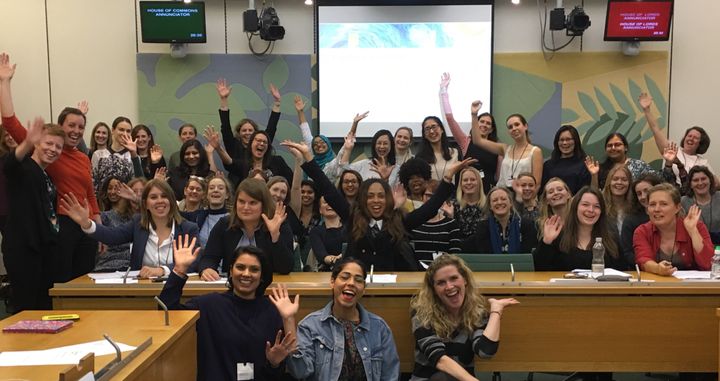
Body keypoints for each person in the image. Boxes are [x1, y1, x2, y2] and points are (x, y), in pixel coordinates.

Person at [283, 139, 477, 271]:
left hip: (396, 287)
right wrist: (308, 158)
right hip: (358, 286)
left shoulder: (399, 220)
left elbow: (430, 208)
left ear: (388, 200)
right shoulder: (353, 217)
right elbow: (328, 190)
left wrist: (448, 176)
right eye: (370, 196)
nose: (376, 201)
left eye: (381, 196)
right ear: (363, 200)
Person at [0, 52, 100, 282]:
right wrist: (5, 83)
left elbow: (89, 193)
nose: (75, 131)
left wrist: (98, 226)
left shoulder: (83, 157)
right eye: (70, 126)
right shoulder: (44, 150)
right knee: (62, 284)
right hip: (60, 227)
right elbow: (10, 122)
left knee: (85, 281)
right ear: (59, 127)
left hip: (85, 226)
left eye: (81, 127)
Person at [160, 242, 298, 381]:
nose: (246, 274)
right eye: (240, 267)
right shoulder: (208, 305)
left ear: (262, 276)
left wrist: (274, 363)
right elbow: (167, 314)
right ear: (231, 272)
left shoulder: (273, 310)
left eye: (254, 269)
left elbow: (291, 366)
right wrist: (179, 270)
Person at [287, 257, 400, 380]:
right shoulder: (310, 325)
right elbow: (300, 372)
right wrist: (288, 319)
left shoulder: (379, 328)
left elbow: (391, 375)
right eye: (345, 277)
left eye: (358, 280)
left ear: (364, 288)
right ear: (332, 281)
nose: (351, 283)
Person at [409, 254, 518, 381]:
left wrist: (495, 311)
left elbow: (485, 351)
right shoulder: (422, 312)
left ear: (465, 280)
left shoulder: (475, 312)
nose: (449, 287)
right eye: (441, 283)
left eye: (454, 278)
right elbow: (440, 359)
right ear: (433, 289)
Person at [60, 179, 199, 278]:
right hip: (141, 291)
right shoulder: (137, 223)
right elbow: (112, 236)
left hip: (177, 287)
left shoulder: (188, 228)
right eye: (153, 197)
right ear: (145, 204)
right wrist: (86, 223)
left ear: (172, 201)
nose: (160, 201)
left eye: (164, 196)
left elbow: (194, 262)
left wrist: (162, 270)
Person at [2, 117, 63, 311]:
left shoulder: (47, 175)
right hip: (24, 248)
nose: (53, 149)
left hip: (43, 248)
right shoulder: (24, 168)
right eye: (48, 143)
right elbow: (8, 165)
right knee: (26, 307)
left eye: (58, 147)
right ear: (36, 143)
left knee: (42, 305)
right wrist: (26, 142)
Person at [198, 178, 294, 280]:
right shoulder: (225, 224)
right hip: (233, 288)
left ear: (264, 205)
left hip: (268, 288)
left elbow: (285, 268)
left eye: (252, 203)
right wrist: (207, 269)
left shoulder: (279, 224)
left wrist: (275, 237)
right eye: (241, 201)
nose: (246, 207)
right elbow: (209, 257)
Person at [534, 186, 626, 271]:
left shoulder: (611, 239)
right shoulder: (558, 238)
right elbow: (539, 269)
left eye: (596, 206)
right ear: (575, 207)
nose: (591, 210)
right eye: (585, 205)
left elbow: (622, 270)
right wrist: (546, 242)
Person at [639, 92, 719, 188]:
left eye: (695, 138)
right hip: (670, 194)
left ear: (700, 143)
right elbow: (655, 129)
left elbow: (716, 184)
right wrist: (646, 110)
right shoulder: (672, 149)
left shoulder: (702, 162)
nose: (691, 139)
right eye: (689, 136)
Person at [634, 183, 713, 275]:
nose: (657, 209)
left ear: (677, 207)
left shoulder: (697, 226)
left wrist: (693, 231)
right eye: (652, 204)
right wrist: (658, 268)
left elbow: (708, 264)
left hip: (693, 286)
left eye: (663, 204)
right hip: (657, 285)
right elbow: (643, 260)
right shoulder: (642, 231)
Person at [439, 73, 499, 193]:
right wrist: (444, 91)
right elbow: (450, 119)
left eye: (488, 123)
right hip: (465, 192)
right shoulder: (466, 141)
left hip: (486, 193)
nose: (484, 125)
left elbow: (498, 176)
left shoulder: (497, 148)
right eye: (481, 121)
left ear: (492, 129)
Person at [472, 108, 542, 191]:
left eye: (517, 124)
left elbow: (537, 184)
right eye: (510, 127)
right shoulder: (505, 149)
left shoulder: (535, 151)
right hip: (503, 197)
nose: (514, 128)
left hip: (524, 197)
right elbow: (478, 141)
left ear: (525, 126)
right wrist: (474, 115)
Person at [463, 187, 538, 254]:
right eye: (495, 200)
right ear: (490, 206)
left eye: (503, 199)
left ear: (511, 203)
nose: (499, 202)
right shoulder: (483, 227)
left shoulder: (526, 225)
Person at [410, 179, 462, 262]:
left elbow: (455, 256)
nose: (431, 199)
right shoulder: (412, 221)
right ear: (422, 197)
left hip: (443, 271)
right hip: (417, 272)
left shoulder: (451, 224)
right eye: (428, 195)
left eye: (434, 196)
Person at [91, 116, 144, 192]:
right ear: (113, 130)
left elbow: (140, 183)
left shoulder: (133, 156)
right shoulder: (98, 155)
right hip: (103, 202)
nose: (124, 133)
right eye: (121, 130)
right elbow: (93, 184)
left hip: (125, 201)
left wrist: (134, 154)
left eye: (128, 131)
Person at [620, 174, 663, 266]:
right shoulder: (631, 220)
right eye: (639, 194)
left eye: (646, 191)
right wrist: (651, 266)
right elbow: (628, 253)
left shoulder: (670, 215)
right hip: (642, 270)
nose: (643, 197)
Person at [94, 177, 134, 272]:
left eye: (116, 188)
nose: (112, 192)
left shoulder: (135, 216)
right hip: (107, 266)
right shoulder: (103, 217)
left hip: (132, 266)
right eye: (110, 188)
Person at [182, 176, 232, 247]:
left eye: (220, 188)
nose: (215, 190)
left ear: (227, 195)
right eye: (211, 188)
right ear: (206, 194)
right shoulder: (198, 216)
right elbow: (174, 213)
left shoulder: (233, 219)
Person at [541, 125, 591, 194]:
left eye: (568, 139)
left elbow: (587, 191)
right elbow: (543, 192)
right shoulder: (548, 166)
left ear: (575, 141)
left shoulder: (585, 165)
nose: (564, 143)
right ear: (557, 143)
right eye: (561, 140)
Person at [681, 166, 720, 244]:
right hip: (695, 244)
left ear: (710, 181)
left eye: (703, 179)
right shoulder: (683, 201)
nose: (700, 183)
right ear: (690, 184)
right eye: (695, 180)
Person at [416, 116, 460, 183]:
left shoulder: (455, 153)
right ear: (424, 134)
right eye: (427, 129)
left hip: (453, 192)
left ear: (442, 129)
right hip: (431, 193)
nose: (431, 131)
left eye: (434, 127)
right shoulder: (420, 157)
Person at [310, 196, 346, 271]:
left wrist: (343, 256)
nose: (329, 204)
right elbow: (320, 254)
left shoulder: (350, 229)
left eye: (332, 201)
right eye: (325, 202)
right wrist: (333, 259)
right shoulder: (315, 231)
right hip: (325, 272)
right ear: (320, 210)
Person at [450, 167, 487, 239]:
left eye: (473, 179)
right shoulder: (453, 205)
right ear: (461, 184)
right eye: (465, 180)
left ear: (479, 182)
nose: (469, 182)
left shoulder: (488, 205)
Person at [602, 165, 632, 234]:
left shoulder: (635, 209)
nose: (619, 182)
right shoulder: (600, 207)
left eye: (624, 180)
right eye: (615, 179)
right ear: (609, 182)